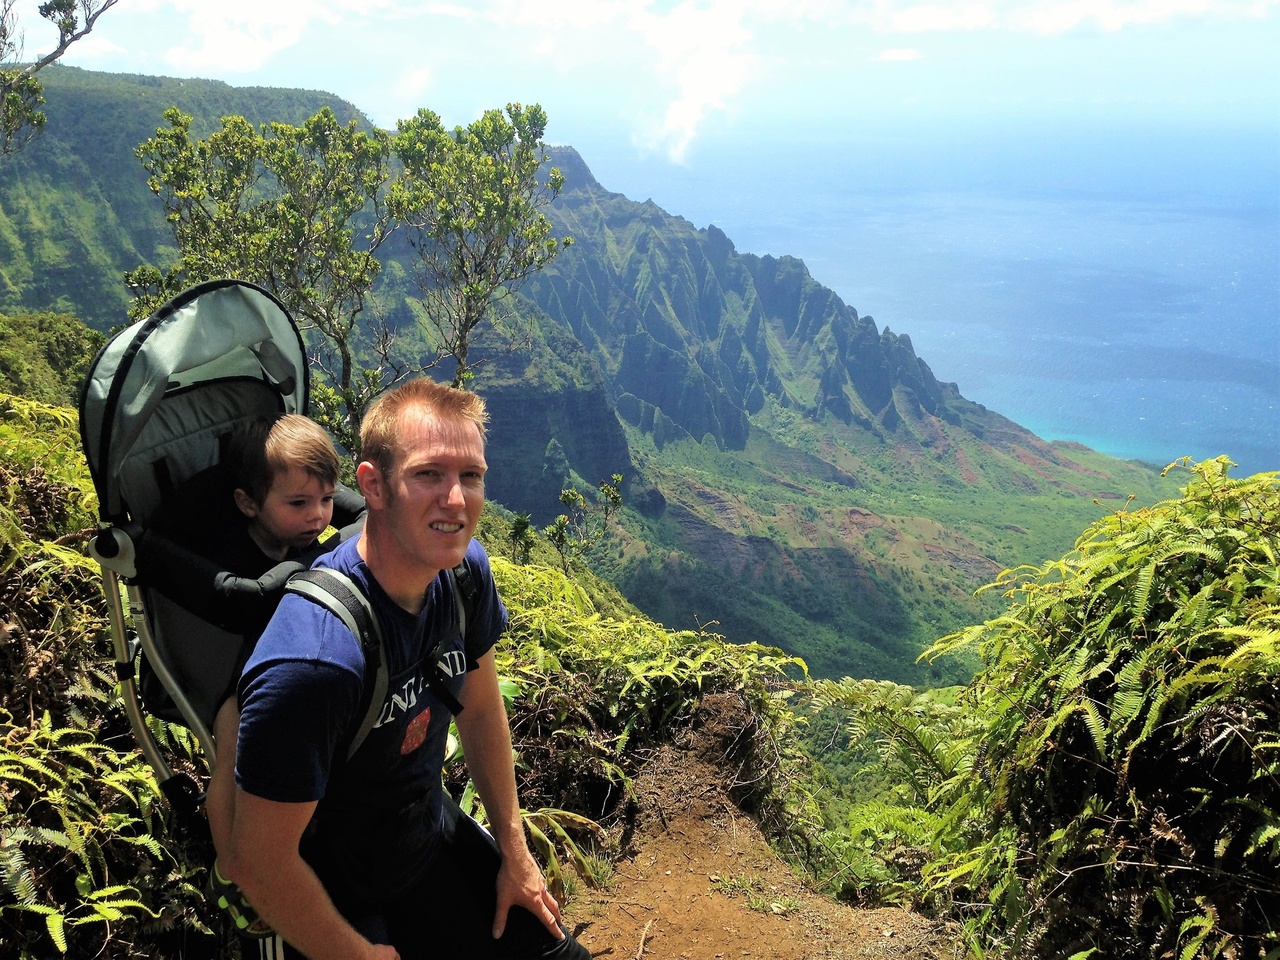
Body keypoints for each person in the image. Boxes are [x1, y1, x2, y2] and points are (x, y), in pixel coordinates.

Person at [222, 378, 590, 960]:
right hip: (332, 882)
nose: (456, 499)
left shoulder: (464, 574)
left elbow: (482, 706)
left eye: (471, 476)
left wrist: (514, 853)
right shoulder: (317, 662)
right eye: (428, 475)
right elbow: (256, 862)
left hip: (422, 833)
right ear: (374, 486)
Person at [144, 413, 346, 935]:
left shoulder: (298, 537)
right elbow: (230, 599)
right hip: (232, 672)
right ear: (248, 503)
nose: (319, 517)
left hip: (292, 661)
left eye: (326, 500)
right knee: (235, 749)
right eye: (299, 504)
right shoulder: (231, 551)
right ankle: (233, 866)